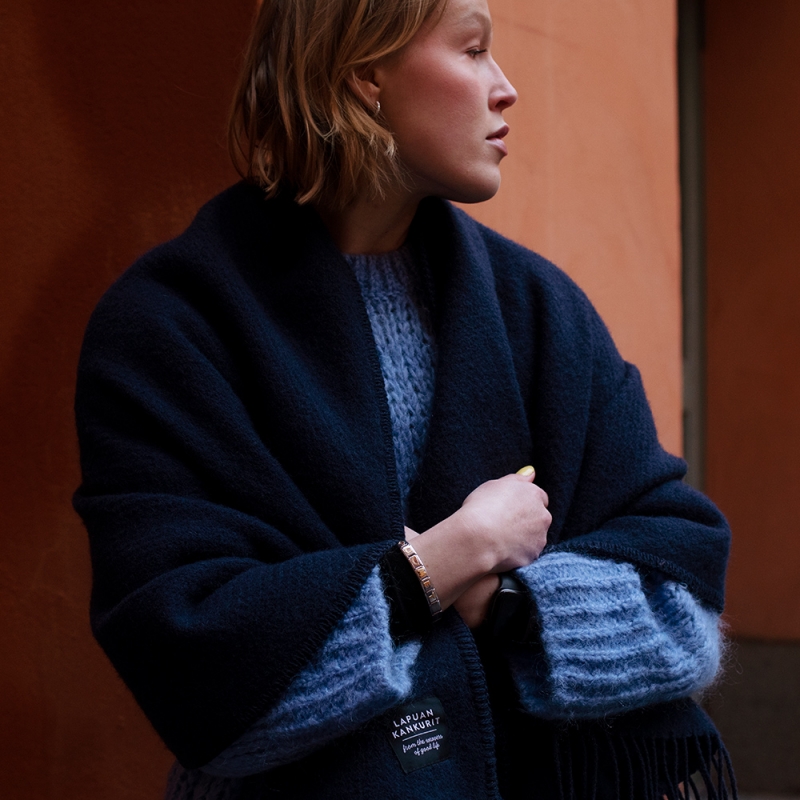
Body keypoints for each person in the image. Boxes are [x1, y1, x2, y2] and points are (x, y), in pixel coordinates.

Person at [73, 0, 736, 797]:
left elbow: (683, 604)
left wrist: (505, 603)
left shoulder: (540, 309)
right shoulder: (173, 326)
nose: (505, 87)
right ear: (365, 74)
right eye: (473, 50)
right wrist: (442, 562)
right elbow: (195, 670)